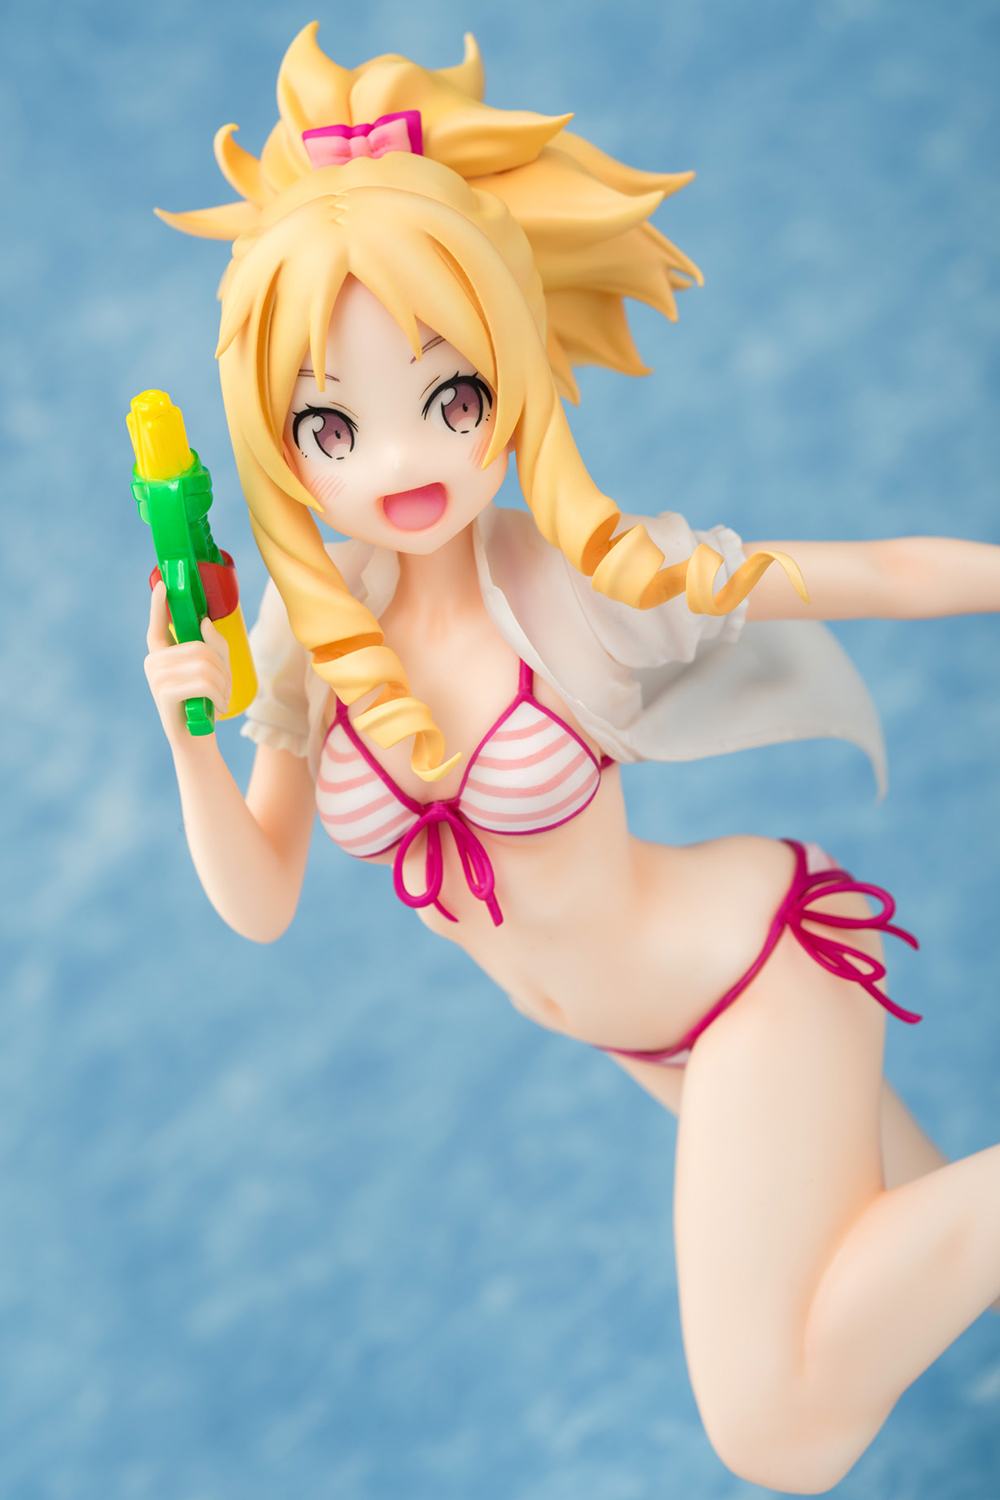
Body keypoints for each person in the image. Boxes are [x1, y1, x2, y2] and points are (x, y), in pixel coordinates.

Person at [144, 24, 1000, 1491]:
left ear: (513, 374)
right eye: (333, 424)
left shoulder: (576, 589)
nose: (402, 462)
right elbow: (260, 899)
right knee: (933, 1280)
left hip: (748, 980)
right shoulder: (310, 630)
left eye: (452, 399)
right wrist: (187, 740)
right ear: (279, 444)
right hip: (640, 1039)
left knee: (777, 1428)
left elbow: (867, 572)